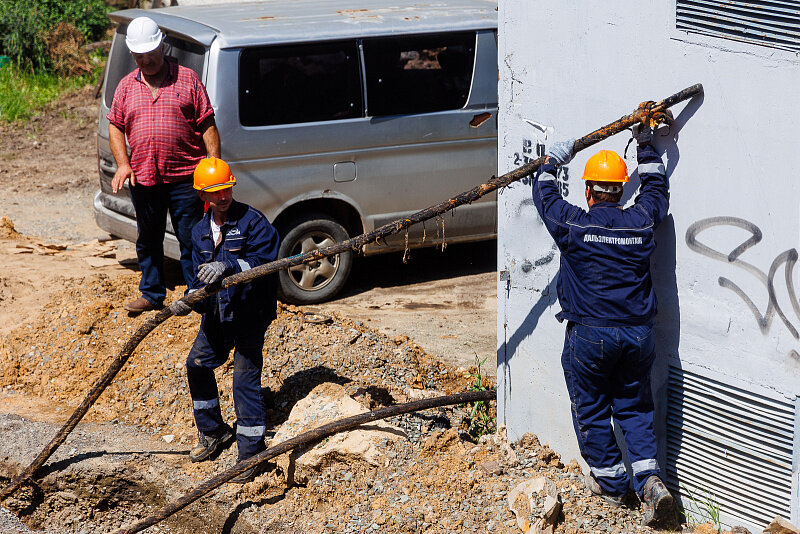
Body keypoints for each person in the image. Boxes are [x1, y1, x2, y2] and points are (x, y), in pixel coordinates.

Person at [531, 109, 677, 527]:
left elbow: (545, 197)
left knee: (592, 408)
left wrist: (549, 162)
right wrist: (647, 145)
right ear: (618, 190)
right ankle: (649, 479)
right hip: (638, 336)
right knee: (634, 407)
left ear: (590, 192)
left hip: (591, 336)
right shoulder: (640, 222)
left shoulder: (573, 225)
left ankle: (613, 486)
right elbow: (655, 191)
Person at [170, 157, 280, 483]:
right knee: (197, 365)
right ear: (203, 196)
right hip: (218, 313)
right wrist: (189, 300)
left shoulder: (253, 222)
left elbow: (265, 263)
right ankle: (213, 431)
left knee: (243, 382)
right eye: (215, 192)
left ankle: (251, 456)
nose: (223, 197)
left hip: (249, 313)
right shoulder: (199, 232)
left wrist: (230, 266)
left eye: (226, 189)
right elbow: (197, 278)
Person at [107, 16, 220, 314]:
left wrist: (214, 163)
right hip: (144, 178)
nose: (146, 61)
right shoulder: (125, 87)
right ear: (133, 55)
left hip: (185, 178)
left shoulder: (188, 79)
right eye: (140, 56)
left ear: (162, 46)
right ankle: (151, 294)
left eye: (151, 54)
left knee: (190, 237)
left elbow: (207, 122)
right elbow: (115, 126)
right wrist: (123, 164)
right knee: (148, 239)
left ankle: (196, 293)